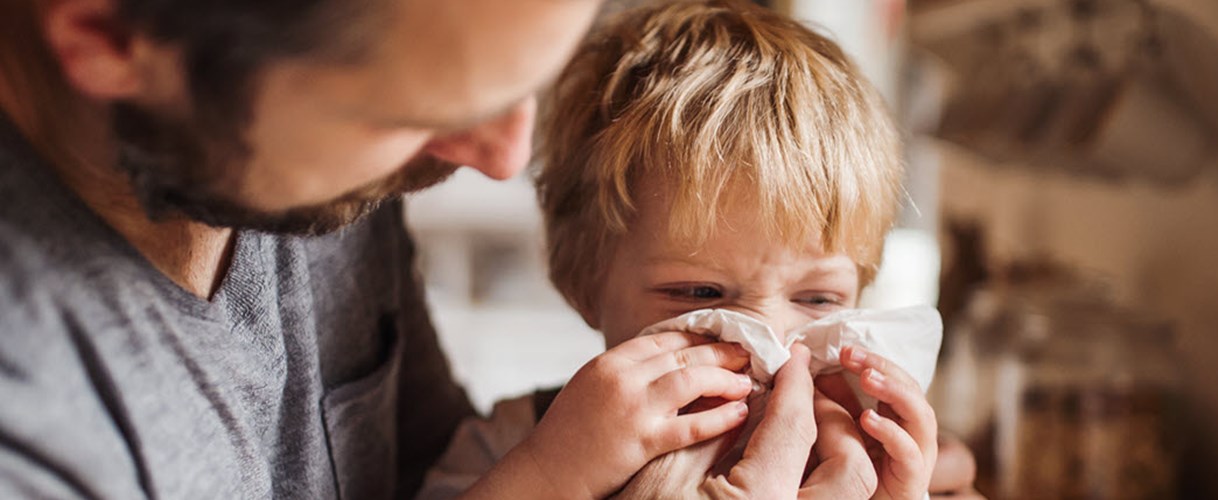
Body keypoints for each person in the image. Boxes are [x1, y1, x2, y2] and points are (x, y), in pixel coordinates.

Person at [0, 0, 880, 498]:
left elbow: (422, 469)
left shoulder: (315, 168)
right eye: (415, 112)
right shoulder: (32, 426)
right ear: (111, 36)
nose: (503, 162)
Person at [423, 1, 980, 498]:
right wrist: (551, 475)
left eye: (818, 299)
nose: (774, 348)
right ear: (583, 283)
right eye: (699, 294)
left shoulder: (868, 450)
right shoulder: (523, 443)